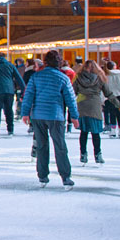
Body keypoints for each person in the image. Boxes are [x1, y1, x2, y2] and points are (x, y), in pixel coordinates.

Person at [20, 49, 80, 190]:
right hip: (55, 115)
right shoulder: (63, 78)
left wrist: (25, 113)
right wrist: (74, 116)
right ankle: (65, 177)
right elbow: (70, 99)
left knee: (41, 145)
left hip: (38, 115)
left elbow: (28, 95)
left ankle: (42, 175)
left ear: (45, 62)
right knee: (60, 146)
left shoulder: (36, 77)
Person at [73, 60, 120, 164]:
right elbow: (109, 94)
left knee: (83, 132)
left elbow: (72, 92)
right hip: (95, 107)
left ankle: (83, 154)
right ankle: (98, 155)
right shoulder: (100, 78)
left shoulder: (78, 78)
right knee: (95, 132)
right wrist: (119, 105)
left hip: (82, 106)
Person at [103, 61, 120, 138]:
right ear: (114, 66)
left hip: (110, 96)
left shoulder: (105, 75)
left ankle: (113, 131)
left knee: (112, 113)